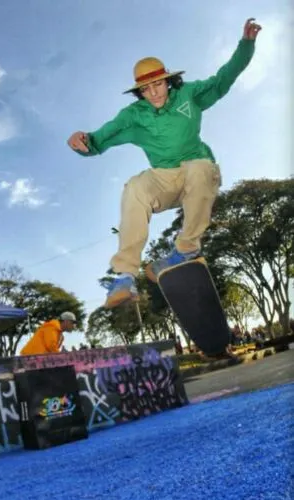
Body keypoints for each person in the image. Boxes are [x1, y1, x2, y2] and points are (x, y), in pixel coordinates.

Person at [67, 18, 262, 309]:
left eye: (158, 84)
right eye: (146, 89)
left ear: (168, 81)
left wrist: (246, 45)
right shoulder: (134, 115)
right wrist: (82, 142)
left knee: (199, 167)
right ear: (140, 92)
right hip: (164, 180)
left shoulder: (190, 94)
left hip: (199, 172)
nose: (154, 93)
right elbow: (99, 139)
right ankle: (125, 276)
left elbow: (224, 79)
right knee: (134, 187)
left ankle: (185, 250)